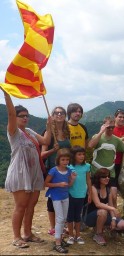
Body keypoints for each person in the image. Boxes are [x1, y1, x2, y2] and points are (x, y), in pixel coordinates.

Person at [2, 89, 51, 249]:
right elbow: (10, 114)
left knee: (31, 205)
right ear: (15, 118)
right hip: (20, 172)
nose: (25, 118)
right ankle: (17, 237)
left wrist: (49, 126)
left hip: (33, 172)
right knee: (21, 205)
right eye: (21, 115)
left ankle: (28, 234)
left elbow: (45, 140)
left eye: (27, 115)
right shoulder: (13, 132)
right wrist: (7, 95)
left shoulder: (29, 131)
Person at [41, 106, 71, 236]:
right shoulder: (48, 133)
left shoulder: (67, 132)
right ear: (52, 116)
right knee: (53, 197)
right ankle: (53, 227)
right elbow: (42, 155)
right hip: (53, 169)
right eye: (56, 113)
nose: (59, 115)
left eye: (62, 113)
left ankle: (61, 224)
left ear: (65, 115)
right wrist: (53, 150)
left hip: (65, 168)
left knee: (63, 194)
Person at [88, 116, 124, 207]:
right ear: (104, 126)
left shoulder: (116, 140)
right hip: (96, 172)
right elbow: (90, 146)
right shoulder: (97, 137)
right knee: (96, 196)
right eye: (108, 127)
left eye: (112, 127)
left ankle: (114, 217)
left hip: (110, 173)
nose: (111, 129)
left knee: (114, 196)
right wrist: (101, 132)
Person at [45, 148, 77, 253]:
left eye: (67, 160)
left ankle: (61, 239)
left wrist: (72, 179)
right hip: (56, 196)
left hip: (65, 196)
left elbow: (69, 185)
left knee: (63, 218)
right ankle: (57, 243)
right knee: (59, 218)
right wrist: (58, 184)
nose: (65, 162)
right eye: (63, 160)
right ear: (58, 160)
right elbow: (46, 183)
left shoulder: (68, 171)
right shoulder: (54, 170)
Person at [85, 168, 124, 246]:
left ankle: (107, 228)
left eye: (108, 176)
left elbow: (110, 205)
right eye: (104, 177)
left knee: (123, 224)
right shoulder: (94, 188)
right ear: (99, 178)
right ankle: (98, 234)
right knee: (103, 211)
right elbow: (98, 204)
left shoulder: (108, 189)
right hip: (91, 217)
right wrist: (113, 208)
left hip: (104, 215)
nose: (107, 178)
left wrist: (113, 220)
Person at [66, 146, 92, 245]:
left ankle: (78, 235)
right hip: (70, 194)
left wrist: (89, 192)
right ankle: (71, 236)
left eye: (83, 154)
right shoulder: (69, 167)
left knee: (78, 216)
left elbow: (88, 180)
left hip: (81, 194)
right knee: (70, 216)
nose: (82, 156)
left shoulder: (87, 166)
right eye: (79, 154)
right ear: (74, 156)